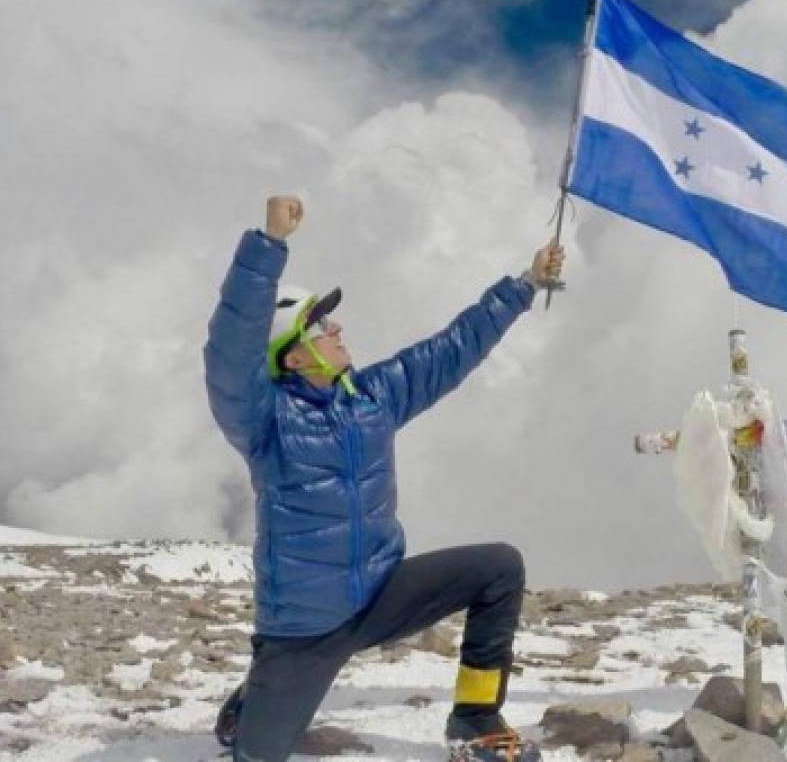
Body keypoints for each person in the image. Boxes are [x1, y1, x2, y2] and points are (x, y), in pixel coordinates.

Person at [203, 195, 565, 762]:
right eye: (318, 325)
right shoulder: (265, 420)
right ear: (292, 357)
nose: (337, 325)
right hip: (305, 632)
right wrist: (268, 245)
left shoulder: (370, 398)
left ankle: (474, 718)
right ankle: (256, 701)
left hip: (379, 596)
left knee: (498, 567)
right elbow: (229, 353)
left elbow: (449, 351)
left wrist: (523, 285)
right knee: (257, 757)